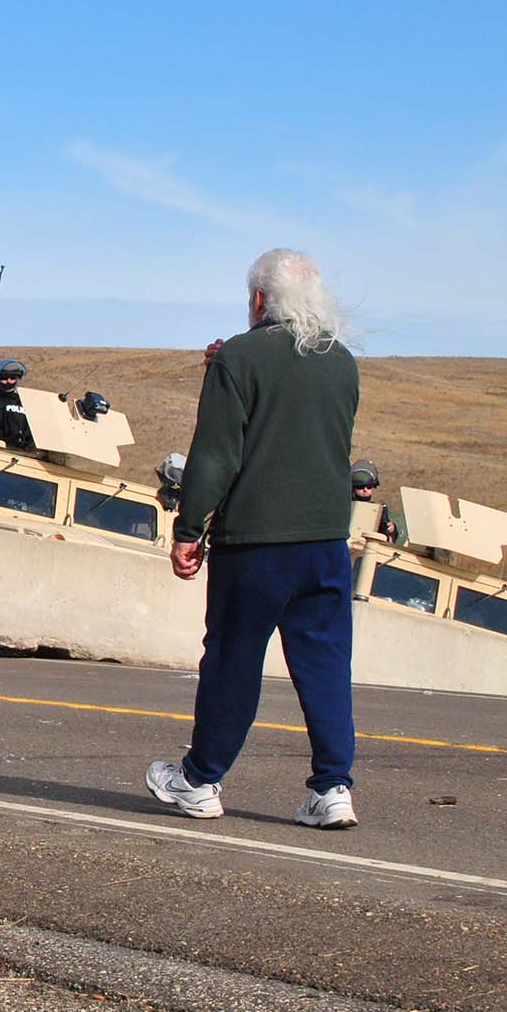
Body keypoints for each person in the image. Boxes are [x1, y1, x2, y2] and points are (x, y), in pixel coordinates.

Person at [147, 248, 361, 831]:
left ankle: (199, 779)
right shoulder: (342, 362)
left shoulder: (238, 358)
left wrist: (189, 530)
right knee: (324, 665)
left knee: (234, 662)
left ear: (260, 299)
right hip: (325, 543)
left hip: (256, 543)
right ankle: (333, 787)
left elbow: (217, 455)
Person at [349, 459, 403, 545]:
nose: (365, 490)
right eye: (360, 487)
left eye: (369, 486)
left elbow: (386, 535)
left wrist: (392, 530)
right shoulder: (347, 507)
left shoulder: (379, 510)